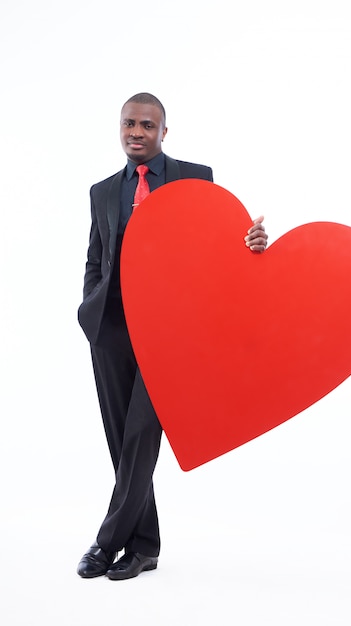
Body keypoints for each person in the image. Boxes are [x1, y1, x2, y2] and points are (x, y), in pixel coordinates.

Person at [77, 92, 268, 581]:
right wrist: (90, 307)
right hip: (113, 326)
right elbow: (96, 256)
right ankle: (144, 547)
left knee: (143, 431)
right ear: (119, 128)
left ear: (164, 131)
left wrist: (251, 243)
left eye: (146, 125)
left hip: (173, 329)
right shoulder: (102, 191)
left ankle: (107, 542)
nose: (135, 133)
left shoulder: (195, 178)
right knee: (122, 440)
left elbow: (222, 243)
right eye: (128, 124)